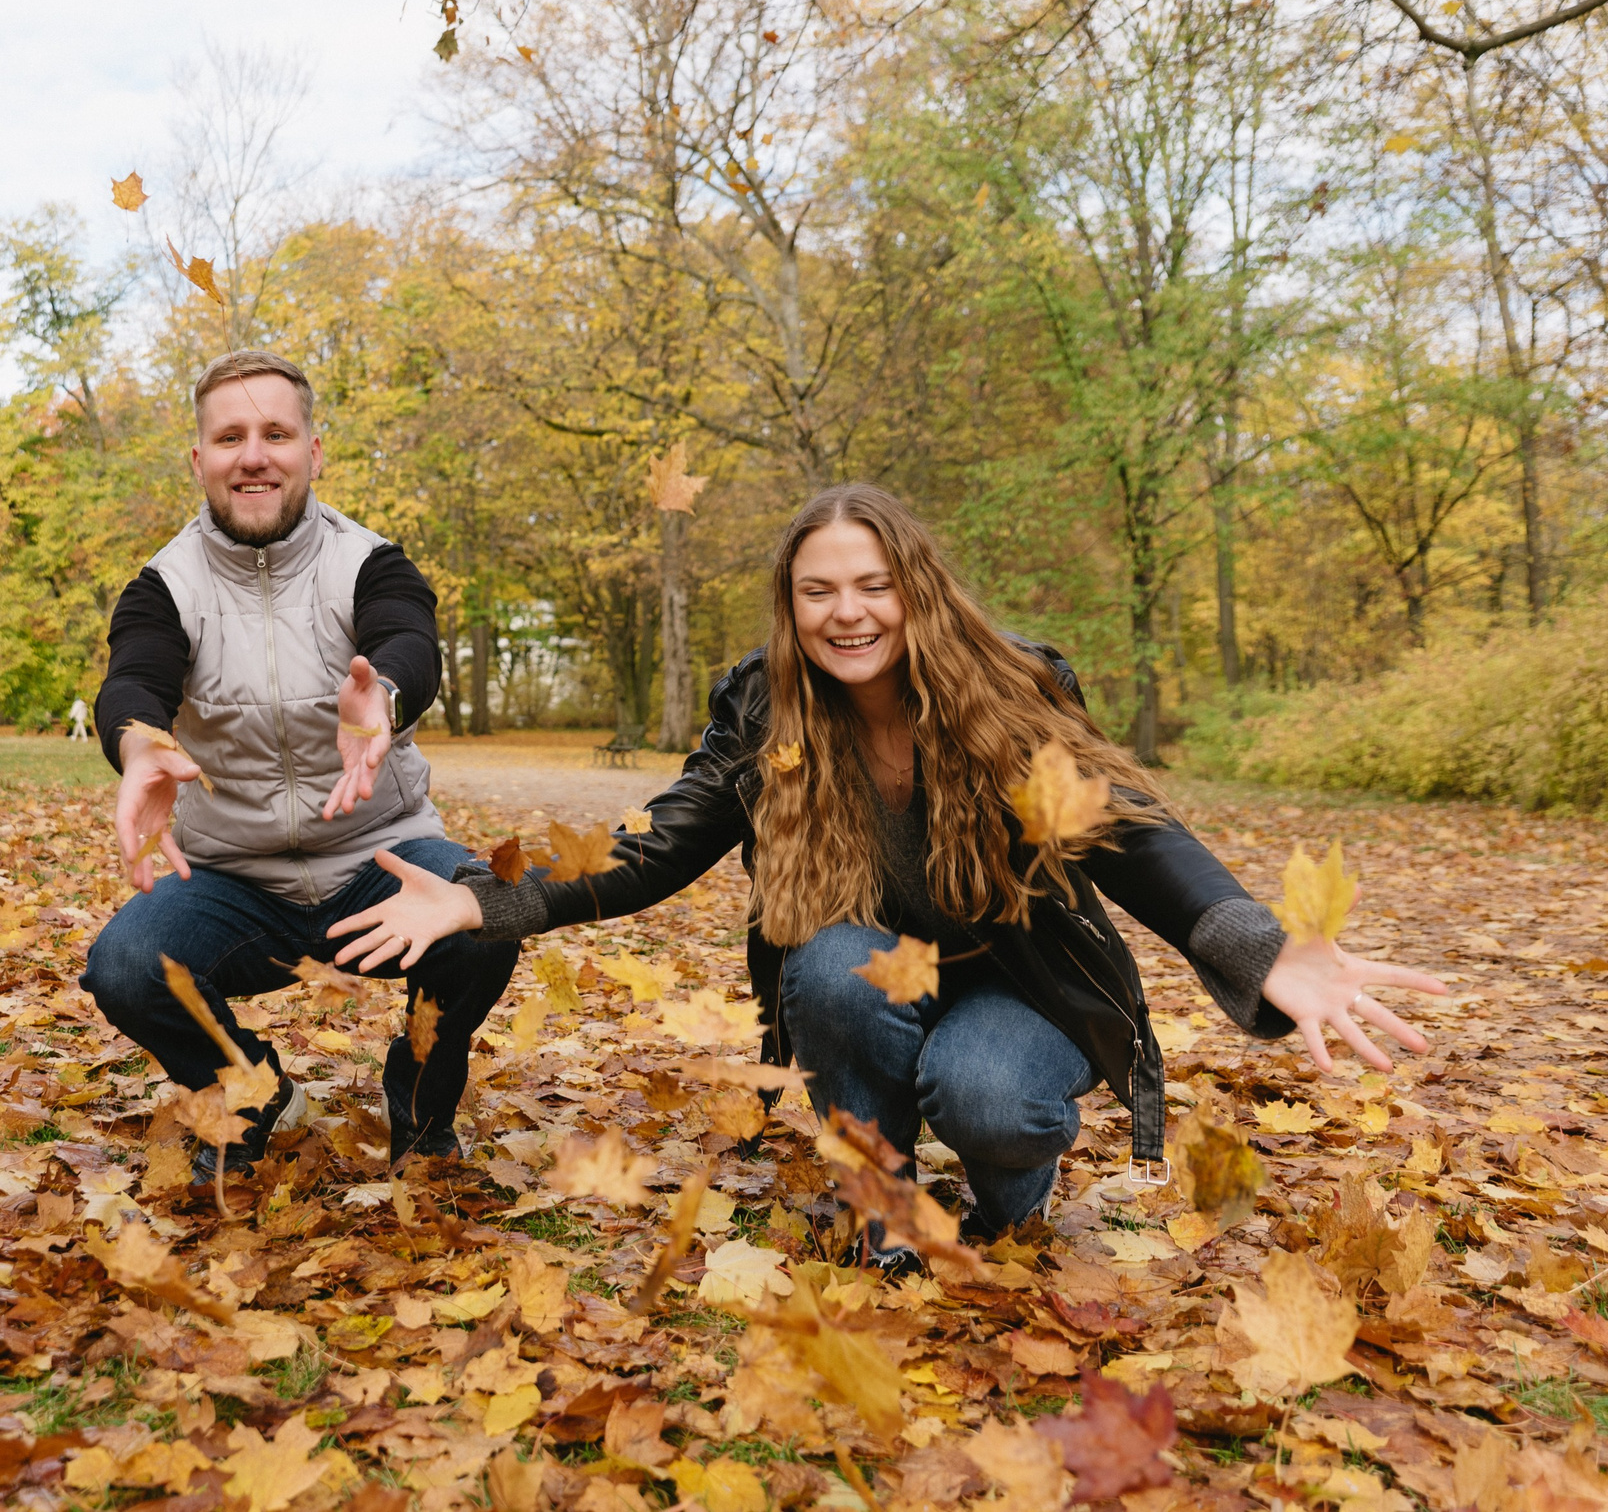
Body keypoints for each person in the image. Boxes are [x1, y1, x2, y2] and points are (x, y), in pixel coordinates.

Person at [331, 482, 1444, 1261]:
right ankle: (885, 1203)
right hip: (868, 966)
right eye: (819, 590)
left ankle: (1012, 1197)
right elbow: (654, 848)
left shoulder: (1012, 688)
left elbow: (1130, 835)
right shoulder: (763, 706)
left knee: (987, 1093)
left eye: (872, 584)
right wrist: (481, 896)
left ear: (915, 587)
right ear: (791, 604)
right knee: (824, 963)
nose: (847, 612)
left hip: (1022, 979)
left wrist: (1257, 944)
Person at [80, 348, 515, 1176]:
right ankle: (248, 1091)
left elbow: (408, 639)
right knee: (125, 964)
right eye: (230, 437)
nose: (254, 455)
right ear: (199, 459)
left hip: (380, 860)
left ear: (312, 451)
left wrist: (383, 699)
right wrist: (140, 746)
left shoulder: (370, 562)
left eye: (276, 434)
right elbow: (134, 677)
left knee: (484, 910)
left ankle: (422, 1112)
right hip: (235, 884)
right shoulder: (165, 586)